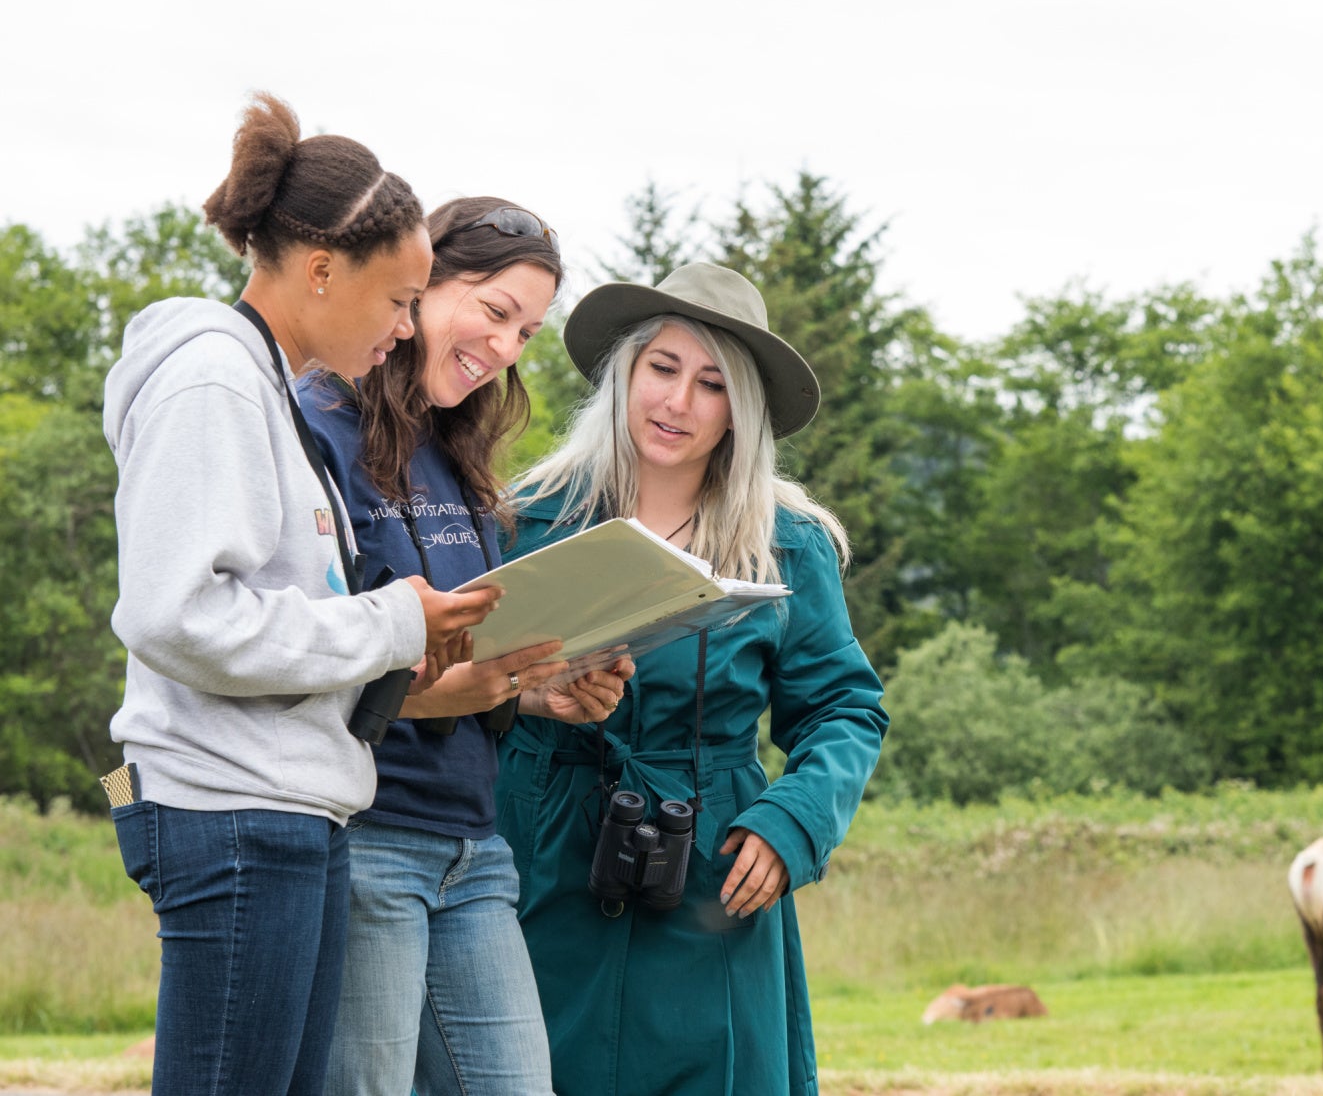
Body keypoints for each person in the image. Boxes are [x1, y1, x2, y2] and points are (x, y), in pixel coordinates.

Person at [102, 93, 500, 1096]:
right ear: (321, 269)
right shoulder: (212, 381)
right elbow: (177, 615)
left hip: (292, 811)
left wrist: (404, 643)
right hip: (231, 814)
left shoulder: (267, 392)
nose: (408, 326)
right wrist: (393, 618)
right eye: (401, 298)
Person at [495, 262, 889, 1096]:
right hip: (539, 854)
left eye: (712, 384)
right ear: (625, 374)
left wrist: (794, 823)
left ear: (740, 409)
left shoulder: (788, 542)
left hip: (712, 860)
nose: (678, 402)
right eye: (663, 369)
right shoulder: (524, 516)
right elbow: (453, 683)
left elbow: (844, 709)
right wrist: (531, 697)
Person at [297, 197, 635, 1095]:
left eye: (525, 331)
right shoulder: (313, 424)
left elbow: (462, 649)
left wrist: (534, 690)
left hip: (474, 848)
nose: (506, 348)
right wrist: (434, 689)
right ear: (420, 281)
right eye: (495, 311)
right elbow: (288, 651)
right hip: (368, 837)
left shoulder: (454, 450)